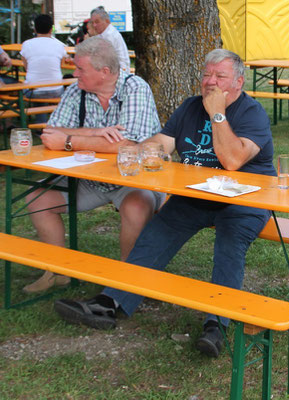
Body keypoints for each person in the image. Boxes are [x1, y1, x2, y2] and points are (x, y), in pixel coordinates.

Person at [53, 49, 276, 358]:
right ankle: (110, 303)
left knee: (230, 244)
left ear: (238, 81)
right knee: (156, 234)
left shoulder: (252, 113)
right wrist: (142, 152)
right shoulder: (189, 107)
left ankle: (217, 325)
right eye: (206, 75)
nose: (210, 82)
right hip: (197, 193)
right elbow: (162, 143)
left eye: (220, 77)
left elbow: (233, 160)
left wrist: (217, 113)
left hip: (247, 198)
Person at [23, 36, 165, 293]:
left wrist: (68, 140)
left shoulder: (135, 88)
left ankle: (127, 281)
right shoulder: (77, 90)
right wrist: (97, 133)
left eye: (80, 69)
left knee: (136, 206)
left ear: (105, 72)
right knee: (37, 199)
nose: (73, 72)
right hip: (89, 179)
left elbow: (128, 146)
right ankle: (56, 271)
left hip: (133, 178)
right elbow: (49, 133)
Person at [20, 14, 69, 122]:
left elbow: (26, 68)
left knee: (37, 88)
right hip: (56, 89)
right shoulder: (59, 45)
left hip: (33, 91)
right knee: (48, 87)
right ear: (51, 29)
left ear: (35, 28)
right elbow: (60, 66)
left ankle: (40, 126)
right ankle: (54, 122)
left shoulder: (26, 44)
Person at [90, 6, 130, 72]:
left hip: (119, 72)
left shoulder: (110, 35)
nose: (94, 25)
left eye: (97, 22)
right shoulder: (105, 34)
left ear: (107, 21)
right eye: (92, 22)